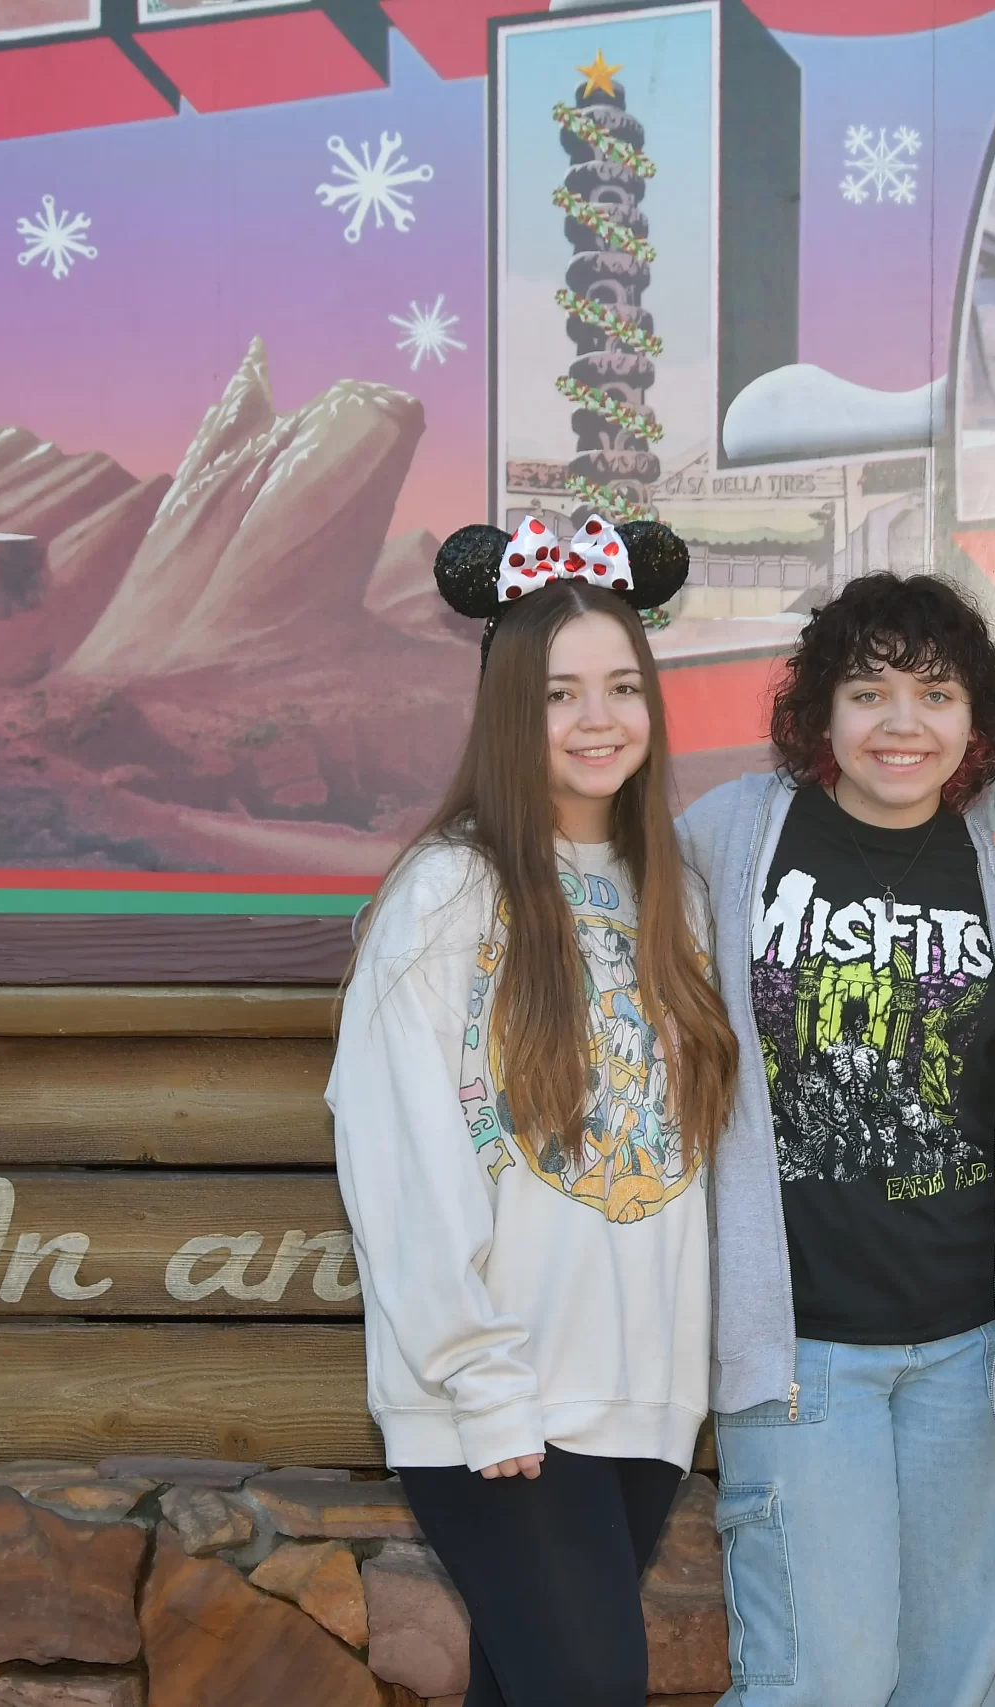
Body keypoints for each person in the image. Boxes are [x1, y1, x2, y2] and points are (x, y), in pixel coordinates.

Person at [328, 514, 738, 1707]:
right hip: (502, 1397)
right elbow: (398, 1151)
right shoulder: (450, 891)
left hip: (638, 1391)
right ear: (510, 709)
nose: (599, 717)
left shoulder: (675, 897)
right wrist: (480, 1378)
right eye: (561, 694)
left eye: (622, 686)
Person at [677, 572, 995, 1707]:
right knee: (817, 1685)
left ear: (976, 721)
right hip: (804, 1355)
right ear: (819, 714)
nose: (901, 724)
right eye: (869, 690)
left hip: (973, 1355)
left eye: (935, 693)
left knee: (949, 1684)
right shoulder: (734, 834)